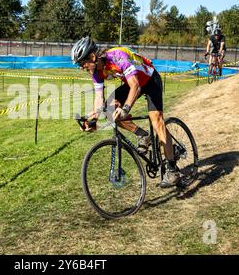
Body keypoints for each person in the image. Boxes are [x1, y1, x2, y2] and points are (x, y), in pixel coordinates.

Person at [72, 37, 180, 188]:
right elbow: (99, 98)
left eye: (82, 63)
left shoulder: (116, 56)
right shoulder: (96, 72)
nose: (82, 67)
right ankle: (144, 135)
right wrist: (93, 119)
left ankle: (172, 169)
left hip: (149, 80)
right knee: (109, 110)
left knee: (156, 120)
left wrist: (125, 109)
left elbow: (135, 85)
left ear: (92, 57)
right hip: (131, 83)